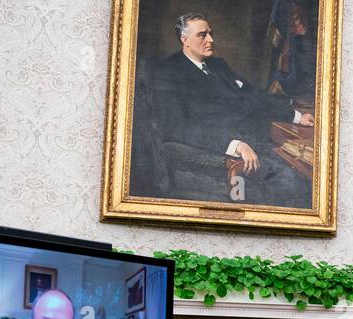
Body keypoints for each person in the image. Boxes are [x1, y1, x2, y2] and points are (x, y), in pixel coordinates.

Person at [129, 11, 314, 209]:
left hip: (259, 145)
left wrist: (297, 116)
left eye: (210, 33)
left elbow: (253, 95)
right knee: (295, 186)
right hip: (223, 158)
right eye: (202, 35)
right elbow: (178, 126)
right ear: (185, 40)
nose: (211, 39)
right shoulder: (168, 72)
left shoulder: (218, 65)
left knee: (304, 178)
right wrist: (234, 145)